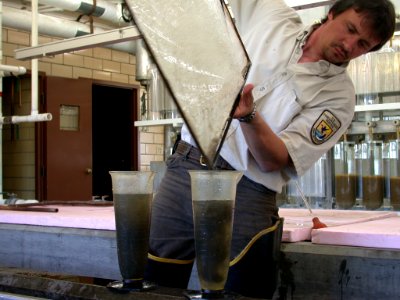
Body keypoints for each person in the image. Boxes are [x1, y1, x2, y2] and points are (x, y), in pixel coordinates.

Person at [144, 0, 396, 298]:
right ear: (332, 14)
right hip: (187, 167)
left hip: (248, 191)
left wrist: (249, 117)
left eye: (363, 44)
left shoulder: (339, 99)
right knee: (155, 284)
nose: (350, 44)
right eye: (350, 29)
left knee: (242, 291)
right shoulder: (272, 15)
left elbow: (273, 160)